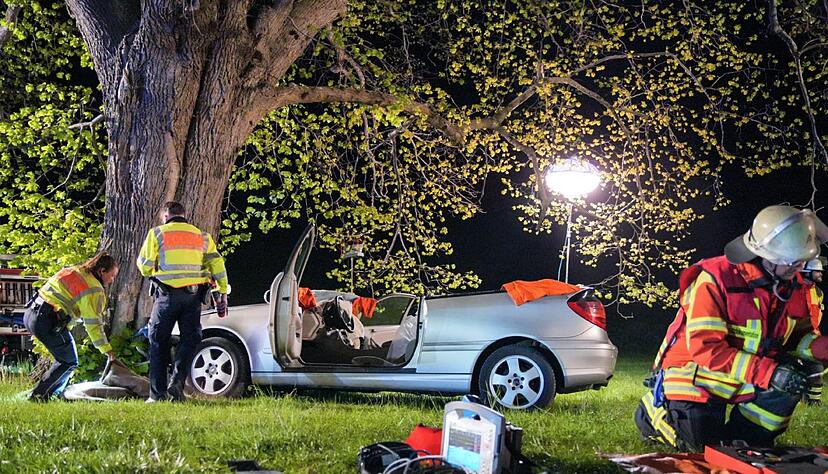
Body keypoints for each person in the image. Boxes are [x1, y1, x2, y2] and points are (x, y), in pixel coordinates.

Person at [635, 205, 828, 451]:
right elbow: (706, 350)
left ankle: (744, 442)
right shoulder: (716, 278)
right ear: (767, 255)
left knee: (744, 447)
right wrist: (770, 373)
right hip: (695, 375)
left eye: (803, 262)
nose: (798, 269)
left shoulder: (793, 285)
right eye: (792, 262)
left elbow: (800, 338)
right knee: (702, 450)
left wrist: (822, 349)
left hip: (747, 374)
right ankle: (652, 412)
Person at [137, 201, 229, 402]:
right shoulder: (202, 236)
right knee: (189, 340)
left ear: (166, 216)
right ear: (184, 214)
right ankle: (177, 384)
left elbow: (144, 266)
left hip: (167, 296)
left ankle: (157, 395)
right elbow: (217, 264)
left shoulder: (157, 233)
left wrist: (155, 271)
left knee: (158, 341)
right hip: (193, 298)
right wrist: (222, 290)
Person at [25, 252, 118, 401]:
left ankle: (50, 394)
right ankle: (39, 397)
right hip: (48, 321)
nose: (112, 280)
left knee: (64, 359)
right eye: (112, 275)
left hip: (31, 313)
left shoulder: (74, 271)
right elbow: (93, 324)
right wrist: (107, 350)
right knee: (68, 362)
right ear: (102, 271)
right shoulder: (94, 289)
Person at [801, 256, 825, 405]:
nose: (821, 274)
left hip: (811, 336)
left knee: (816, 367)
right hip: (794, 336)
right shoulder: (795, 288)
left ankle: (812, 400)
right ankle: (810, 400)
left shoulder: (819, 293)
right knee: (814, 366)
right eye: (818, 271)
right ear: (807, 272)